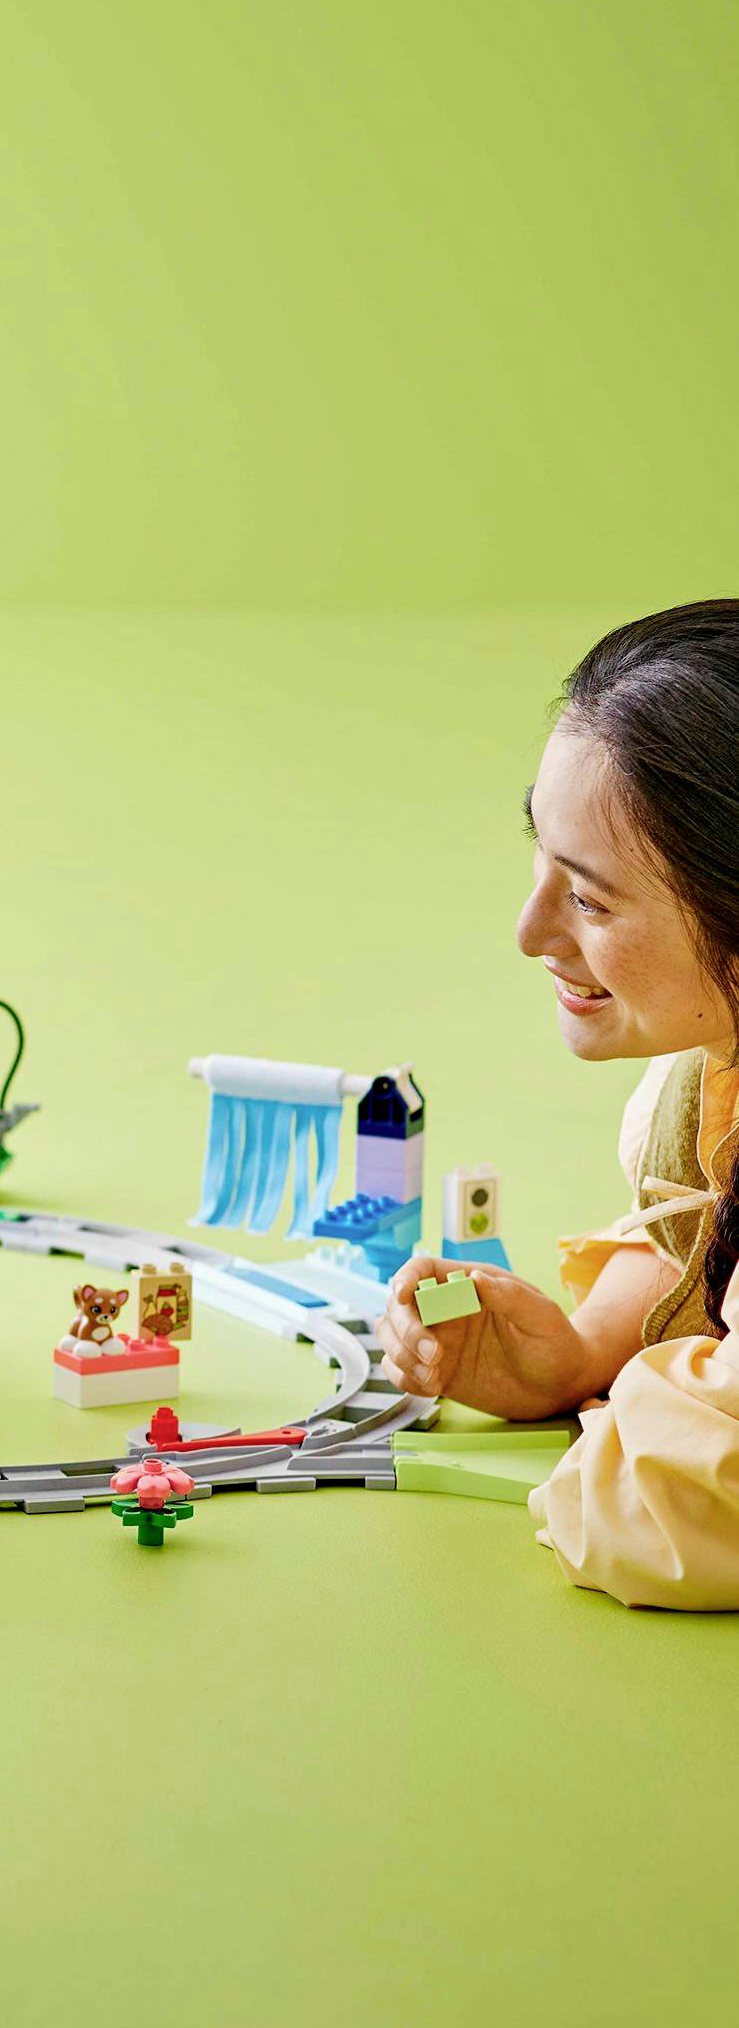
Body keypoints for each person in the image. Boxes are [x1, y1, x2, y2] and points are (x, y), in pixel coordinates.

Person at [376, 602, 739, 1606]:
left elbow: (666, 1505)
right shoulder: (708, 1067)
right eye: (541, 857)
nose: (530, 929)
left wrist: (621, 1433)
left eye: (587, 897)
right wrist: (582, 1354)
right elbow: (703, 1226)